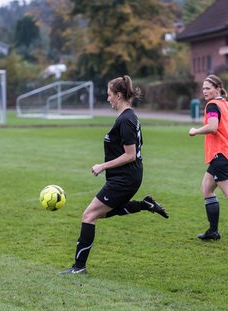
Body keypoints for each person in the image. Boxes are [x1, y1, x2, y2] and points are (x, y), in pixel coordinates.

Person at [58, 75, 169, 275]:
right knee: (100, 213)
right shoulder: (127, 117)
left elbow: (130, 154)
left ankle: (79, 267)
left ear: (118, 95)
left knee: (89, 215)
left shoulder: (126, 120)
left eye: (109, 95)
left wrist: (102, 166)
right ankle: (144, 205)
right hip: (127, 176)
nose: (108, 98)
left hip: (125, 178)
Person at [189, 74, 228, 241]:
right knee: (206, 188)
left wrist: (196, 131)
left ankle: (213, 231)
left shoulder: (212, 105)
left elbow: (212, 128)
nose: (204, 91)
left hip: (220, 155)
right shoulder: (224, 104)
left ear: (218, 88)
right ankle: (213, 231)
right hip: (220, 155)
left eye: (208, 88)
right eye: (203, 88)